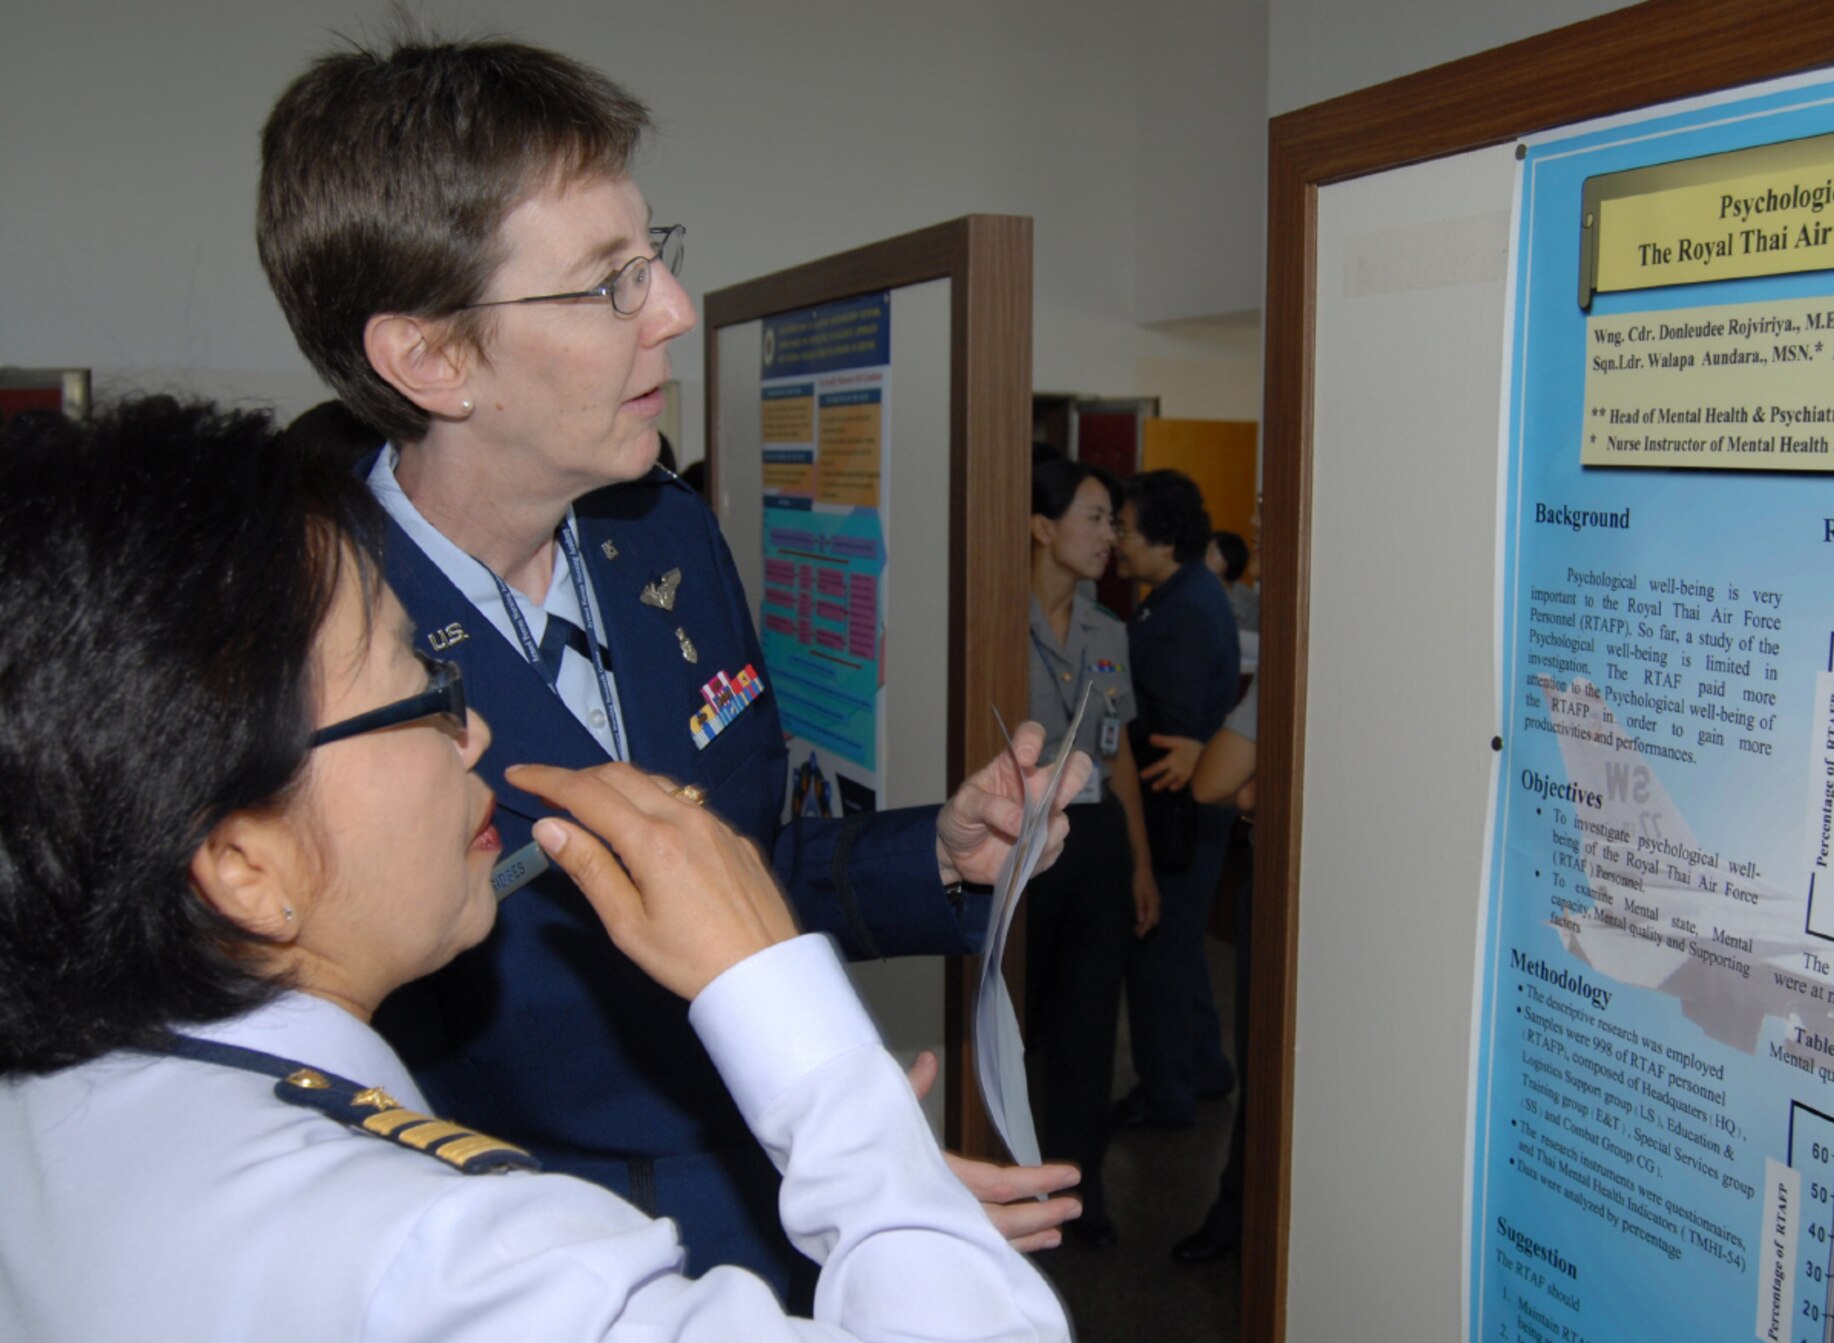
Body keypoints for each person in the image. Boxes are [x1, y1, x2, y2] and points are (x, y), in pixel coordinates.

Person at [255, 34, 1081, 1290]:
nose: (675, 311)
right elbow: (338, 1100)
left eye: (654, 256)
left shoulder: (666, 533)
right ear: (427, 357)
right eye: (606, 283)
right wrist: (835, 1177)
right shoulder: (306, 640)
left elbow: (726, 864)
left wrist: (934, 852)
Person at [0, 397, 1069, 1340]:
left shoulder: (64, 1108)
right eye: (418, 687)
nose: (469, 736)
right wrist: (840, 1103)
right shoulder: (445, 1260)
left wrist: (929, 857)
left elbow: (750, 840)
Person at [1024, 457, 1161, 1246]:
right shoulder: (996, 614)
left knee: (1086, 1024)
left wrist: (1141, 862)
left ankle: (1080, 1198)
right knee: (1020, 1016)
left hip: (1098, 837)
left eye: (1114, 521)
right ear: (1044, 527)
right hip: (1024, 840)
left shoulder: (1111, 629)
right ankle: (1008, 1184)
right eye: (1095, 517)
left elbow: (1122, 758)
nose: (1110, 535)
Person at [1111, 469, 1241, 1130]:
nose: (1115, 541)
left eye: (1125, 530)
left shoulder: (1185, 611)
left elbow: (1178, 735)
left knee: (1158, 951)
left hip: (1177, 812)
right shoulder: (1179, 593)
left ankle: (1167, 1094)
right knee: (1183, 948)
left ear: (1164, 541)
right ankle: (1205, 1065)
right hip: (1190, 813)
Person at [1145, 673, 1260, 1262]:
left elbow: (1222, 784)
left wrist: (1207, 757)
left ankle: (1241, 1221)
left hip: (1283, 887)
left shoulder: (1301, 651)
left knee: (1269, 1069)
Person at [1206, 529, 1259, 634]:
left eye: (1211, 553)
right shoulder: (1194, 589)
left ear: (1228, 558)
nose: (1204, 557)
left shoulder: (1248, 600)